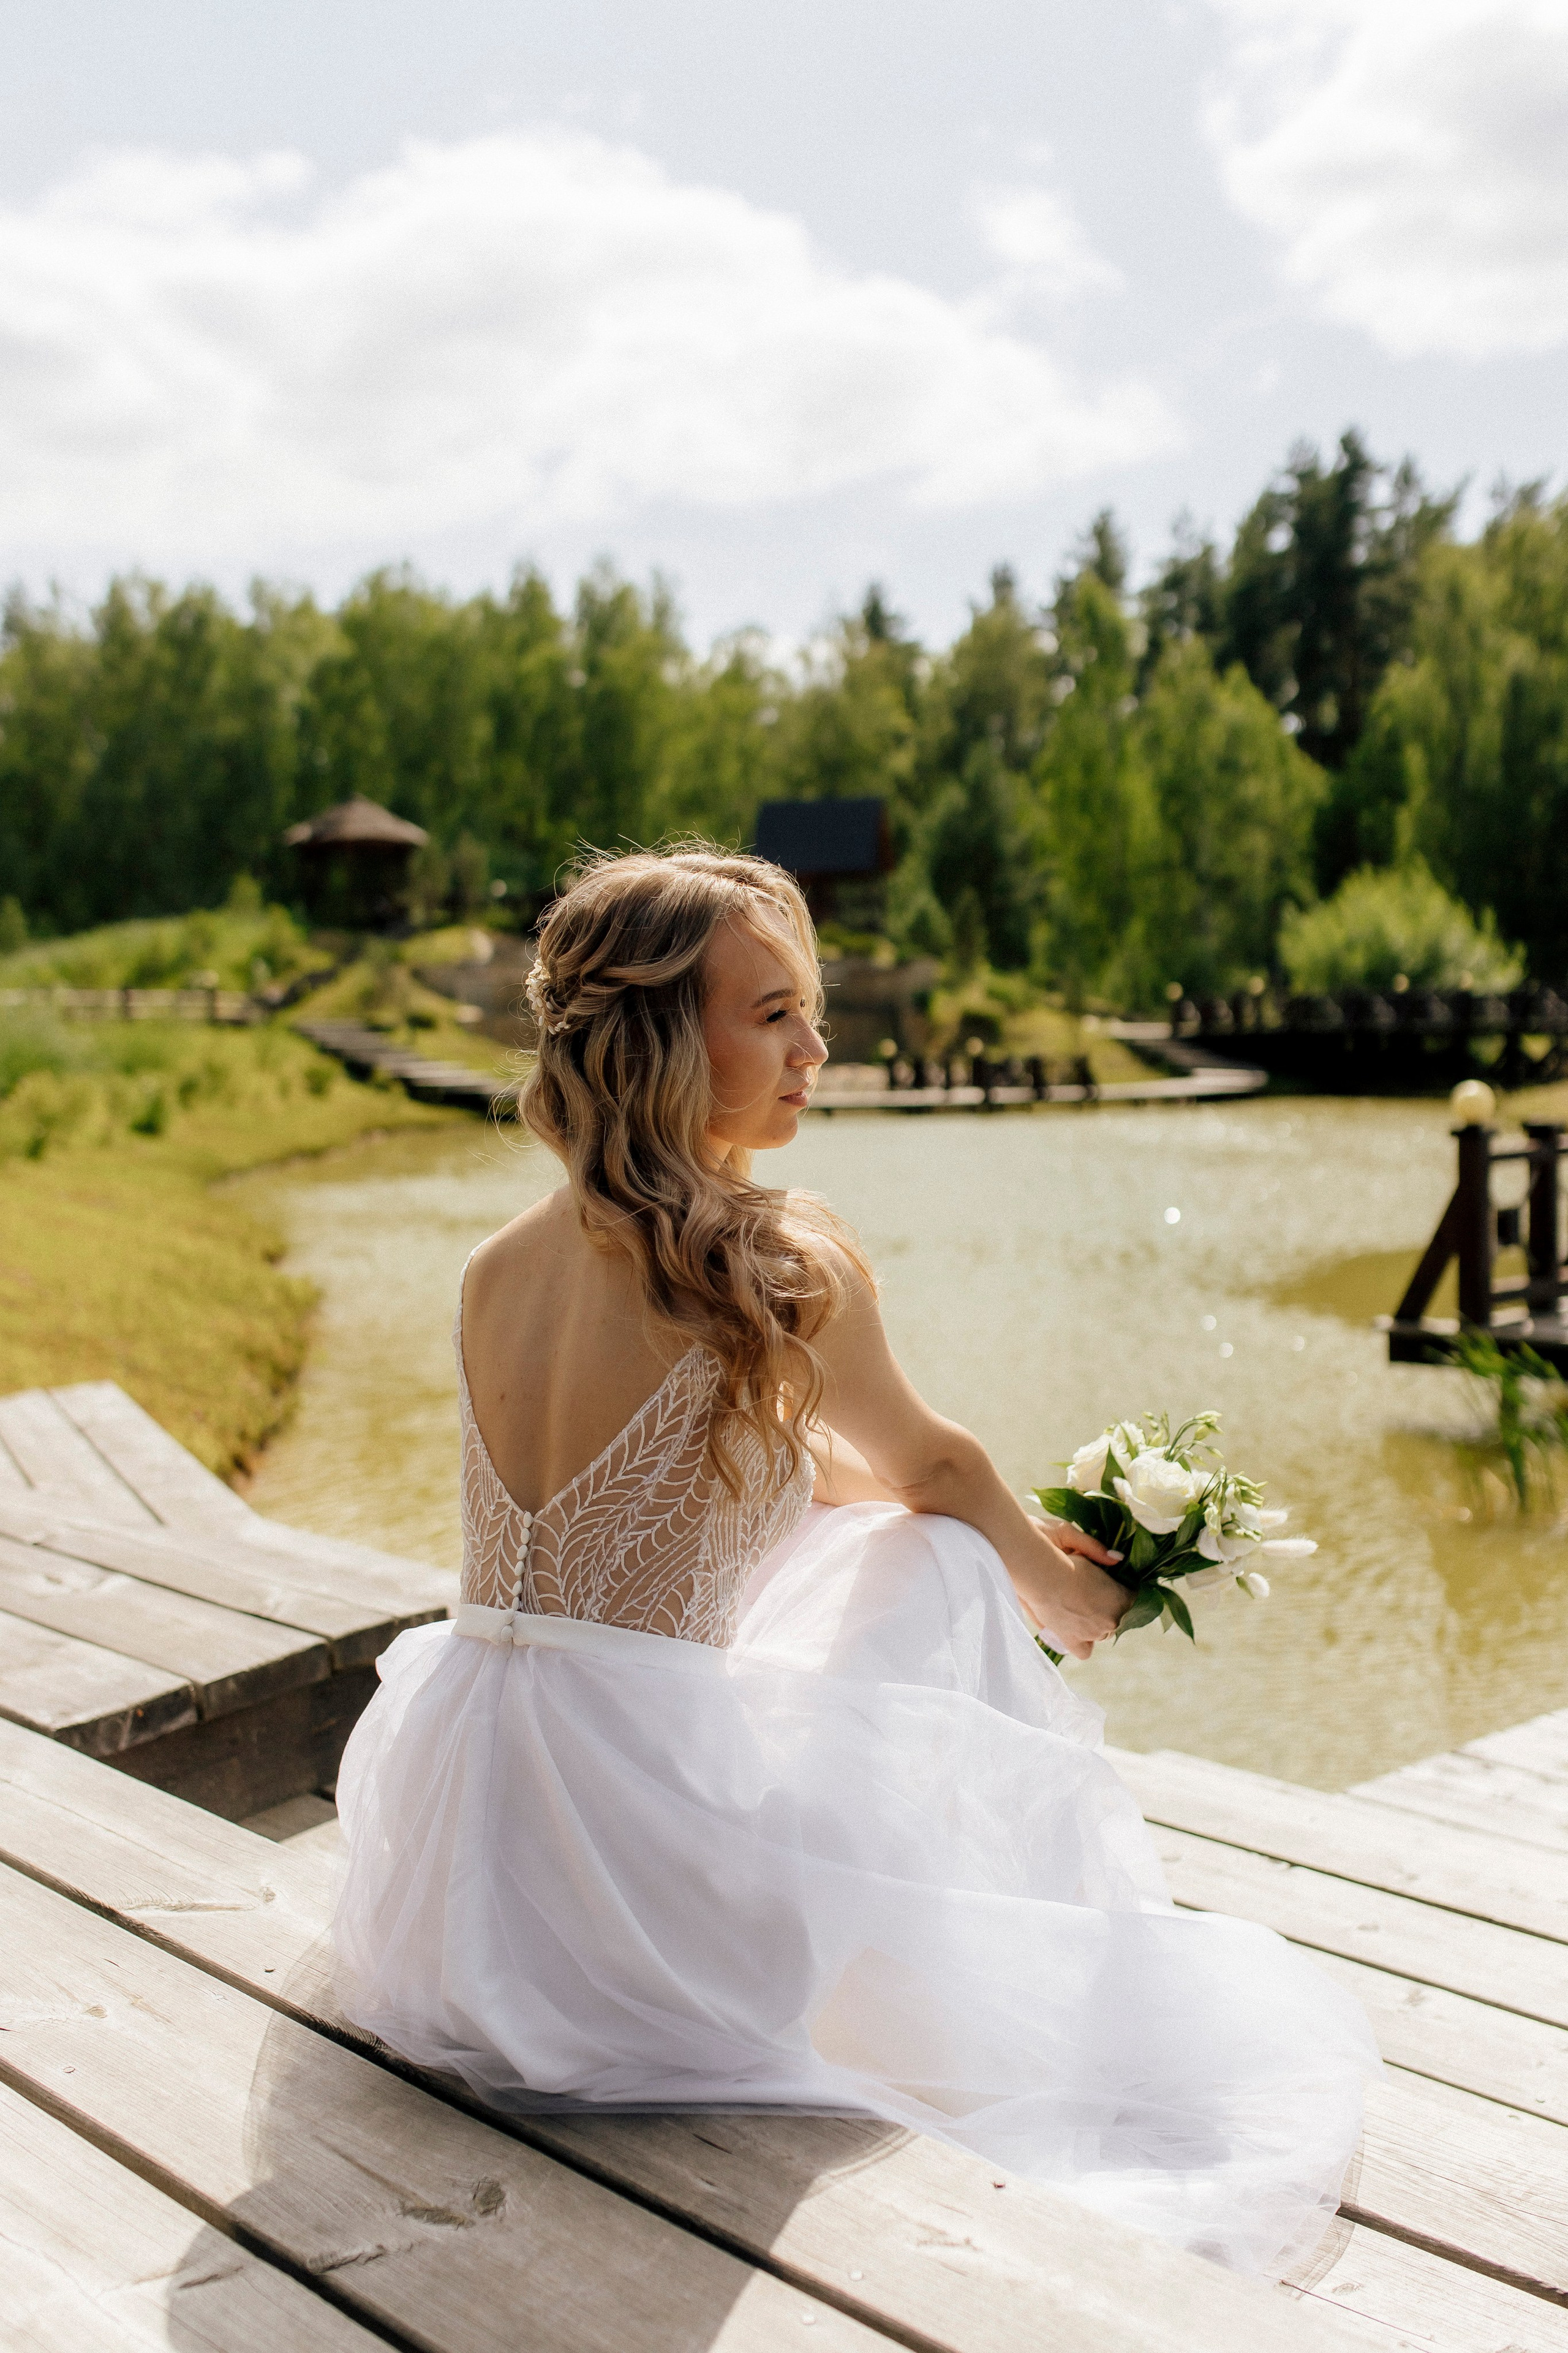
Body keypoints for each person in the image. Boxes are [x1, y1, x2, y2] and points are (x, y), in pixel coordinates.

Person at [333, 844, 1377, 2278]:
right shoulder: (766, 1259)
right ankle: (968, 1963)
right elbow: (931, 1465)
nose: (815, 1052)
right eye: (771, 1016)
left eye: (811, 1014)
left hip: (457, 1843)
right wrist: (1053, 1584)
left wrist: (982, 1518)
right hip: (635, 1869)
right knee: (938, 1552)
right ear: (657, 1036)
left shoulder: (494, 1265)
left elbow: (784, 1466)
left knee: (882, 1522)